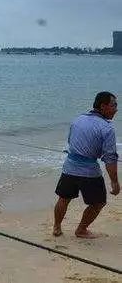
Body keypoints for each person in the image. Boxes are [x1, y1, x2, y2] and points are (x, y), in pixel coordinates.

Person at [53, 91, 119, 238]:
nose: (116, 109)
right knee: (99, 203)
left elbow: (70, 141)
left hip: (69, 166)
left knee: (63, 199)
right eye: (114, 105)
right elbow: (110, 158)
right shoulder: (107, 128)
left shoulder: (78, 119)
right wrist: (115, 182)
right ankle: (81, 230)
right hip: (89, 171)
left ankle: (56, 227)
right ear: (103, 106)